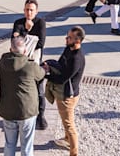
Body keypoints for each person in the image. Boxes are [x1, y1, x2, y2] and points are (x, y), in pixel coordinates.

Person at [0, 34, 46, 156]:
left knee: (9, 144)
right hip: (26, 111)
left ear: (10, 49)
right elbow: (41, 74)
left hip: (8, 109)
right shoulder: (30, 66)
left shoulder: (1, 64)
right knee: (26, 146)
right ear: (25, 51)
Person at [43, 26, 86, 156]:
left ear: (77, 41)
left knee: (69, 125)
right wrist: (49, 66)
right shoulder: (69, 49)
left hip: (67, 96)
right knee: (65, 120)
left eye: (69, 38)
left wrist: (46, 75)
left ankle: (74, 152)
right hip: (64, 93)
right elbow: (61, 65)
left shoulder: (77, 58)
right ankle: (67, 140)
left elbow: (62, 78)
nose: (66, 39)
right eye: (67, 36)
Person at [12, 0, 48, 130]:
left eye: (31, 10)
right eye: (27, 10)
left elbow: (41, 43)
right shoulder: (18, 23)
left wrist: (23, 37)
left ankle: (41, 116)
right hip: (20, 63)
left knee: (39, 91)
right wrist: (27, 32)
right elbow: (14, 42)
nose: (29, 12)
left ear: (36, 11)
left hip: (35, 63)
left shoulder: (40, 23)